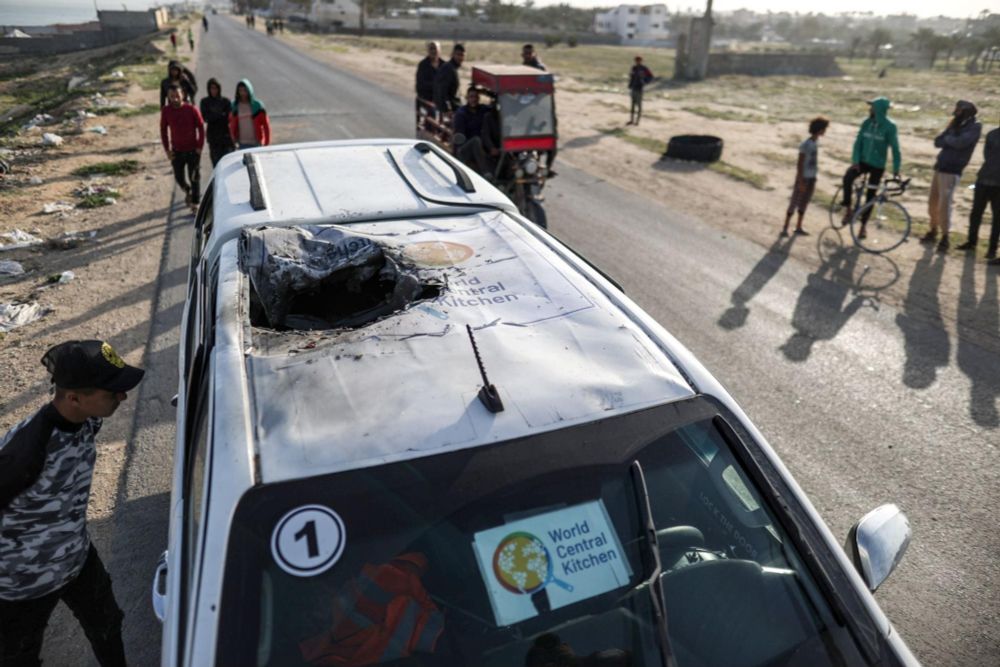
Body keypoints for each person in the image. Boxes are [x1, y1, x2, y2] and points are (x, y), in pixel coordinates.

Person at [0, 340, 145, 667]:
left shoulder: (88, 419)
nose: (122, 397)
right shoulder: (24, 452)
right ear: (74, 398)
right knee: (18, 656)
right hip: (23, 583)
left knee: (107, 626)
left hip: (76, 558)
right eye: (112, 393)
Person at [923, 100, 981, 252]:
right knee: (932, 202)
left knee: (944, 205)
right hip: (940, 167)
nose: (956, 112)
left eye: (959, 109)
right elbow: (937, 142)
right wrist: (951, 138)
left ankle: (945, 237)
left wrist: (949, 138)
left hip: (952, 170)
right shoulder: (955, 124)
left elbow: (961, 143)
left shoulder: (975, 127)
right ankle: (933, 229)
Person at [841, 97, 901, 239]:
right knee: (848, 178)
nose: (870, 109)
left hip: (877, 166)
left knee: (870, 196)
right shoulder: (866, 123)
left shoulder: (890, 127)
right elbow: (858, 143)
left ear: (879, 110)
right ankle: (848, 209)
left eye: (872, 107)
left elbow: (895, 149)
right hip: (862, 162)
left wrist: (896, 169)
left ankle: (863, 226)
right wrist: (855, 160)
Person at [782, 116, 829, 237]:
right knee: (795, 201)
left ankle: (798, 226)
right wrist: (800, 180)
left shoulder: (814, 143)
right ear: (820, 130)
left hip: (811, 177)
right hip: (804, 178)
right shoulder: (806, 144)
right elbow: (800, 164)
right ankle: (785, 227)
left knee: (804, 202)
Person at [962, 115, 1000, 261]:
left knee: (996, 219)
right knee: (976, 213)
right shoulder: (992, 135)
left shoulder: (992, 135)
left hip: (993, 182)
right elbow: (987, 156)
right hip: (984, 180)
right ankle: (972, 242)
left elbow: (987, 156)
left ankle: (991, 249)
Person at [160, 84, 205, 209]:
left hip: (192, 150)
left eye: (177, 96)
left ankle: (196, 203)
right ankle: (187, 190)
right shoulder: (166, 111)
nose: (175, 99)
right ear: (168, 96)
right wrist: (167, 150)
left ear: (183, 95)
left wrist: (199, 146)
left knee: (194, 177)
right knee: (179, 178)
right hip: (177, 151)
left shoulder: (191, 109)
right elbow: (163, 130)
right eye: (172, 96)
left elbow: (201, 127)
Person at [453, 86, 492, 177]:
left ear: (478, 98)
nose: (473, 99)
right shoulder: (461, 113)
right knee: (475, 140)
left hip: (479, 147)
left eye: (475, 97)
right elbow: (459, 136)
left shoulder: (482, 109)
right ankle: (485, 171)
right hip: (464, 148)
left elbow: (493, 108)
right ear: (467, 98)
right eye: (471, 97)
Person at [200, 78, 235, 167]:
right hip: (213, 138)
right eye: (212, 88)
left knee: (229, 163)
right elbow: (206, 118)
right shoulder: (205, 102)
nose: (214, 90)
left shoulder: (225, 101)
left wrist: (214, 115)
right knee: (217, 165)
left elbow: (228, 117)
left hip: (226, 137)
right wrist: (220, 114)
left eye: (215, 88)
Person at [229, 78, 271, 149]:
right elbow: (231, 125)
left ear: (249, 91)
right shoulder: (234, 106)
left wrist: (266, 143)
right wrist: (233, 140)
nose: (243, 93)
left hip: (256, 143)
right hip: (242, 144)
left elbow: (266, 126)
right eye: (240, 90)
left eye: (245, 90)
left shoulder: (258, 106)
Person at [434, 44, 466, 118]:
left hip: (452, 104)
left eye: (462, 55)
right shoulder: (448, 69)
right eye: (458, 54)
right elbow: (442, 91)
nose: (460, 57)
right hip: (449, 107)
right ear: (452, 54)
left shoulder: (452, 68)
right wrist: (447, 109)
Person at [415, 41, 441, 124]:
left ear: (439, 50)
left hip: (442, 99)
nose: (433, 51)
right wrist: (436, 86)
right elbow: (420, 85)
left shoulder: (444, 65)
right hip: (427, 98)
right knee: (432, 111)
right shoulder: (423, 65)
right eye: (431, 49)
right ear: (428, 51)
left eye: (435, 49)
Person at [627, 56, 654, 125]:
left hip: (639, 89)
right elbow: (632, 77)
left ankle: (637, 121)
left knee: (639, 106)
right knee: (632, 105)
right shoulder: (634, 68)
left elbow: (650, 76)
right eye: (636, 60)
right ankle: (632, 120)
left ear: (641, 61)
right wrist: (630, 84)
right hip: (633, 88)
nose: (637, 62)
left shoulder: (644, 68)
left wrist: (644, 82)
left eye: (638, 60)